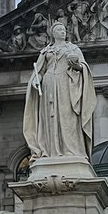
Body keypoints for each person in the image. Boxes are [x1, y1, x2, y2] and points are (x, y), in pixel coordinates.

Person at [23, 21, 97, 159]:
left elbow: (83, 67)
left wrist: (76, 66)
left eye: (64, 30)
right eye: (59, 30)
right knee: (50, 118)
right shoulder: (45, 51)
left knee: (68, 116)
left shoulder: (73, 49)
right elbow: (39, 70)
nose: (63, 32)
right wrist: (35, 80)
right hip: (49, 84)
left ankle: (72, 151)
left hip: (66, 84)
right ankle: (50, 151)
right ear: (53, 33)